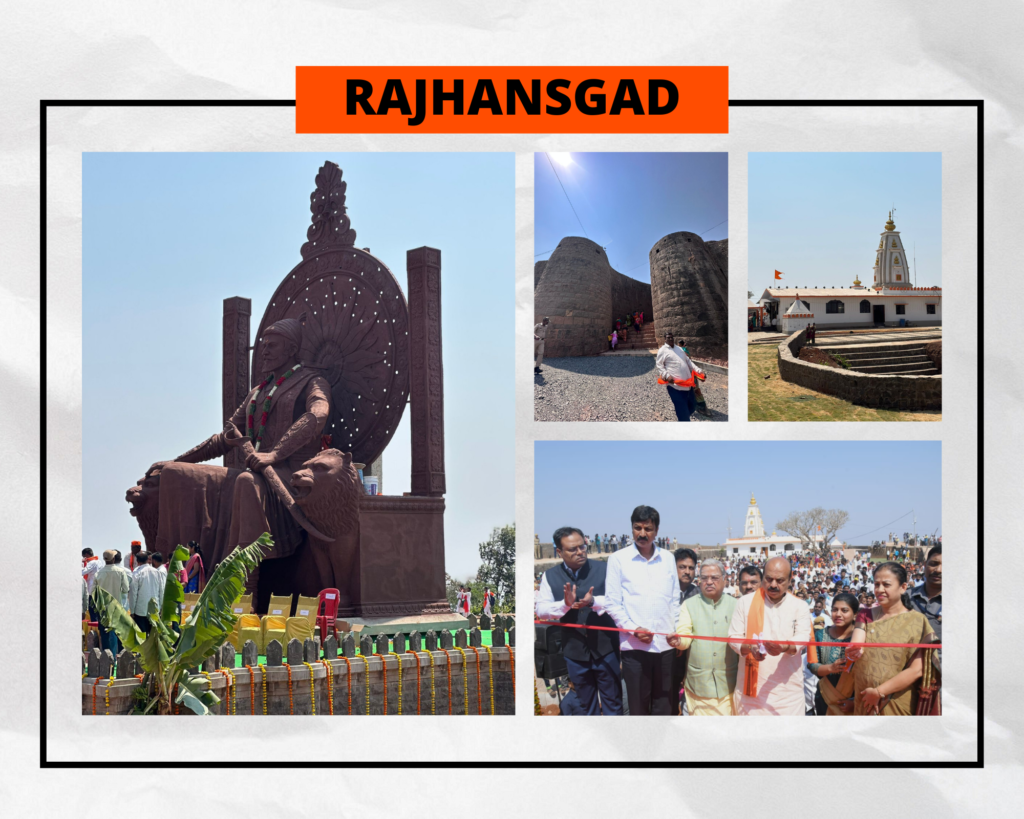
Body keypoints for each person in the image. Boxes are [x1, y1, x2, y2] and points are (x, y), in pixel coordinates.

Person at [536, 526, 622, 716]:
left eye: (582, 547)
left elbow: (618, 601)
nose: (580, 552)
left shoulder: (605, 569)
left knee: (613, 704)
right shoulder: (549, 576)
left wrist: (593, 601)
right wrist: (564, 605)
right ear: (559, 552)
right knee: (585, 707)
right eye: (572, 549)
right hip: (575, 654)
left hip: (606, 650)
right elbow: (541, 610)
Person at [604, 506, 679, 715]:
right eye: (637, 528)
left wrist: (676, 632)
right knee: (638, 706)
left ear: (656, 531)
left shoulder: (668, 558)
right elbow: (612, 602)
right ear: (632, 529)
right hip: (634, 648)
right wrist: (633, 628)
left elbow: (674, 599)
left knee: (664, 705)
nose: (642, 534)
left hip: (665, 647)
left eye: (648, 528)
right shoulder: (618, 559)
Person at [846, 562, 936, 715]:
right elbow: (856, 643)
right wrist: (853, 651)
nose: (879, 590)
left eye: (886, 584)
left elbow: (916, 670)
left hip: (897, 701)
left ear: (903, 587)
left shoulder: (917, 621)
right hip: (865, 698)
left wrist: (879, 692)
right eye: (876, 584)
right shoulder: (865, 615)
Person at [728, 556, 813, 716]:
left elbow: (803, 636)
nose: (773, 585)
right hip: (750, 693)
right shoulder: (745, 602)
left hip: (788, 696)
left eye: (780, 580)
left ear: (790, 580)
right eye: (769, 579)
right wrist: (749, 647)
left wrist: (785, 646)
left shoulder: (799, 606)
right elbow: (734, 637)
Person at [672, 559, 739, 716]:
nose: (709, 582)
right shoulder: (689, 605)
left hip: (728, 684)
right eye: (704, 578)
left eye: (714, 578)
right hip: (698, 686)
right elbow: (684, 634)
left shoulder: (736, 605)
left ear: (725, 579)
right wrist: (678, 641)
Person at [808, 592, 859, 715]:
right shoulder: (821, 635)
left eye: (844, 610)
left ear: (855, 615)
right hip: (825, 697)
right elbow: (812, 665)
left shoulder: (861, 638)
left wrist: (855, 701)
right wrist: (830, 668)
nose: (838, 614)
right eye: (835, 610)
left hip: (854, 700)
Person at [671, 548, 700, 714]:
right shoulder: (663, 592)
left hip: (689, 658)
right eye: (682, 567)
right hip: (665, 653)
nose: (687, 572)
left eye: (691, 568)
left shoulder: (699, 594)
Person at [655, 332, 703, 422]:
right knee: (683, 413)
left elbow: (688, 361)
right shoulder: (662, 350)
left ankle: (683, 417)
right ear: (665, 339)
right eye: (668, 338)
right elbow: (659, 365)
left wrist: (698, 370)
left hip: (688, 385)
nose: (670, 339)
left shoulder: (679, 349)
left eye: (671, 337)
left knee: (692, 406)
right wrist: (667, 375)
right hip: (675, 387)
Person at [93, 549, 132, 653]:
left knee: (104, 633)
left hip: (102, 608)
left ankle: (106, 656)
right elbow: (125, 589)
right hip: (116, 607)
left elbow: (93, 592)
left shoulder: (98, 573)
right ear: (114, 558)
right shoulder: (120, 572)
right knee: (114, 632)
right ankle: (114, 657)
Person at [128, 552, 166, 634]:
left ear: (137, 561)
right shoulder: (157, 572)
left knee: (142, 636)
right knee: (153, 636)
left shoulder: (136, 573)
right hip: (154, 609)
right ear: (148, 560)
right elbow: (161, 590)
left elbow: (133, 593)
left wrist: (132, 611)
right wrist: (160, 607)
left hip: (140, 610)